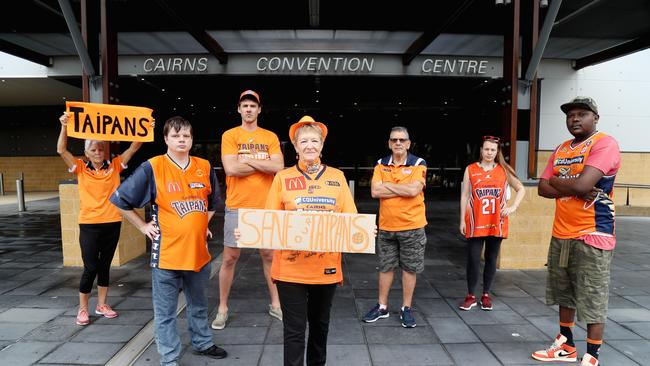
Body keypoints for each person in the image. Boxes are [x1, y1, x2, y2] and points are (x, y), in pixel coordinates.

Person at [110, 116, 227, 365]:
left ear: (192, 139)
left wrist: (202, 225)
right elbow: (119, 200)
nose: (181, 140)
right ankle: (170, 358)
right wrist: (142, 225)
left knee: (199, 304)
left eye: (186, 135)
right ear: (166, 139)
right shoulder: (153, 167)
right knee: (165, 314)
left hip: (198, 253)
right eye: (176, 135)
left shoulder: (204, 166)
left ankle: (203, 343)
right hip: (167, 255)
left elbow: (213, 202)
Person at [531, 97, 620, 366]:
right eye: (570, 115)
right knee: (564, 292)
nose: (575, 119)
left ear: (596, 118)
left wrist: (559, 181)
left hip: (593, 233)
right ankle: (566, 345)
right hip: (562, 233)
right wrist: (570, 182)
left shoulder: (604, 143)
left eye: (582, 114)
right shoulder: (560, 149)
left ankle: (592, 355)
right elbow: (542, 188)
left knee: (592, 295)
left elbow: (582, 186)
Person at [262, 115, 357, 366]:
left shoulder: (337, 177)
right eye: (303, 141)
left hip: (325, 269)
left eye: (315, 140)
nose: (309, 146)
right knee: (294, 332)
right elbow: (270, 220)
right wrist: (253, 232)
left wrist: (364, 232)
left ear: (322, 145)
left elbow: (351, 220)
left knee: (320, 328)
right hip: (290, 269)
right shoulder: (282, 178)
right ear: (295, 146)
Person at [56, 112, 147, 326]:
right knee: (90, 267)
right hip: (89, 224)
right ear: (86, 152)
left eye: (100, 149)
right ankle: (83, 309)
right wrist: (64, 127)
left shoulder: (114, 165)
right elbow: (61, 150)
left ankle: (102, 304)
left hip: (112, 222)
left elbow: (134, 147)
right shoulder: (80, 167)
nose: (97, 152)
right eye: (93, 149)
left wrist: (145, 129)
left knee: (105, 266)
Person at [212, 90, 284, 330]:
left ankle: (276, 305)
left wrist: (248, 160)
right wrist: (262, 165)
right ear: (239, 109)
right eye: (245, 105)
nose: (249, 109)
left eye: (253, 105)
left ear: (259, 110)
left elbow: (279, 167)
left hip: (266, 206)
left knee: (270, 256)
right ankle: (222, 308)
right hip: (238, 206)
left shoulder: (270, 136)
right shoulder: (230, 135)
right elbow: (231, 169)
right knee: (231, 258)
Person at [362, 126, 427, 328]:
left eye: (402, 140)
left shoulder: (418, 163)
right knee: (385, 267)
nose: (398, 143)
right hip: (387, 227)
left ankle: (406, 308)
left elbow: (414, 190)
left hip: (412, 226)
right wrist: (402, 189)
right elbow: (374, 191)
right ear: (389, 143)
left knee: (409, 269)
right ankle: (382, 307)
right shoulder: (381, 164)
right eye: (394, 140)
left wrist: (388, 185)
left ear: (408, 143)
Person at [458, 135, 525, 311]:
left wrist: (513, 207)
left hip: (497, 221)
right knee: (473, 259)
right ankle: (471, 295)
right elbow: (465, 195)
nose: (489, 152)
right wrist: (462, 220)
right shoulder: (471, 169)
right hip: (475, 220)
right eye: (486, 149)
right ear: (481, 150)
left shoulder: (503, 170)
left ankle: (486, 294)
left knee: (491, 258)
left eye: (492, 150)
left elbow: (521, 189)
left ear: (497, 152)